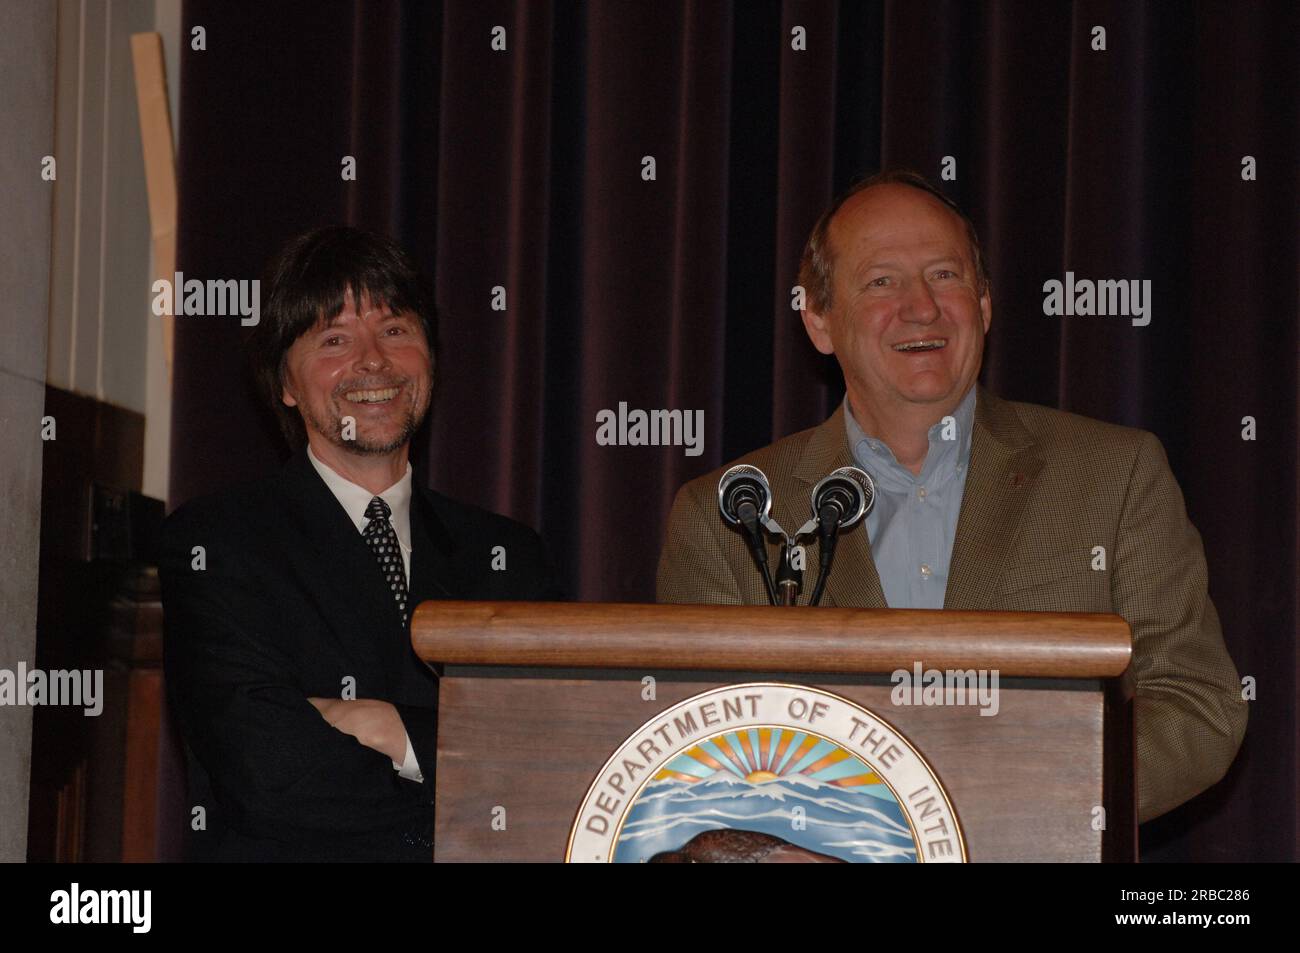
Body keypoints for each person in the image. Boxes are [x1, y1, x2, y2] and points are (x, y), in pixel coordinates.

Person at [656, 170, 1246, 824]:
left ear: (985, 305)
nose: (921, 307)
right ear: (818, 320)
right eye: (882, 281)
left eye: (945, 275)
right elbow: (701, 748)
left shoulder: (1112, 473)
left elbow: (1196, 704)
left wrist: (1014, 795)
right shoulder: (730, 515)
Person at [160, 226, 560, 861]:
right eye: (334, 339)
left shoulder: (508, 559)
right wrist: (455, 778)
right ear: (285, 384)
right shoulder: (218, 544)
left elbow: (548, 765)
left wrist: (390, 729)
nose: (373, 360)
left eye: (395, 329)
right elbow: (272, 776)